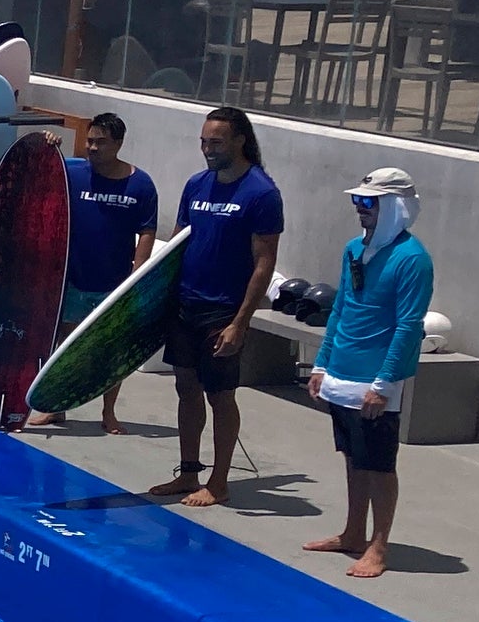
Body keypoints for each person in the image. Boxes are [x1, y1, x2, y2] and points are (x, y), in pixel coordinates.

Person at [148, 107, 283, 509]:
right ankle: (188, 471)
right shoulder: (196, 185)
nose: (208, 149)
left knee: (220, 395)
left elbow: (264, 262)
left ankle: (219, 481)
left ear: (240, 140)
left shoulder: (261, 193)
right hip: (185, 305)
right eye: (204, 142)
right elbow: (177, 246)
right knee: (185, 388)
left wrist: (241, 322)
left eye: (216, 142)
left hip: (223, 312)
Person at [305, 168, 434, 580]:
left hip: (376, 382)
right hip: (341, 373)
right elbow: (341, 308)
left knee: (379, 464)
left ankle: (379, 545)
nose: (361, 210)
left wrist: (384, 383)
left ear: (393, 208)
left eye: (369, 203)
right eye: (357, 202)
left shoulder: (412, 260)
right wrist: (322, 363)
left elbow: (408, 326)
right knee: (353, 458)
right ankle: (352, 532)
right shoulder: (352, 249)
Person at [38, 112, 159, 434]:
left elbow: (147, 231)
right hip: (73, 279)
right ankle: (57, 407)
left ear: (118, 144)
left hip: (114, 283)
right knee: (63, 346)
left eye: (101, 142)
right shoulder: (73, 172)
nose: (92, 147)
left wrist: (138, 275)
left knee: (112, 352)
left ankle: (108, 412)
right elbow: (38, 178)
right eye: (90, 141)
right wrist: (48, 147)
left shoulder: (141, 184)